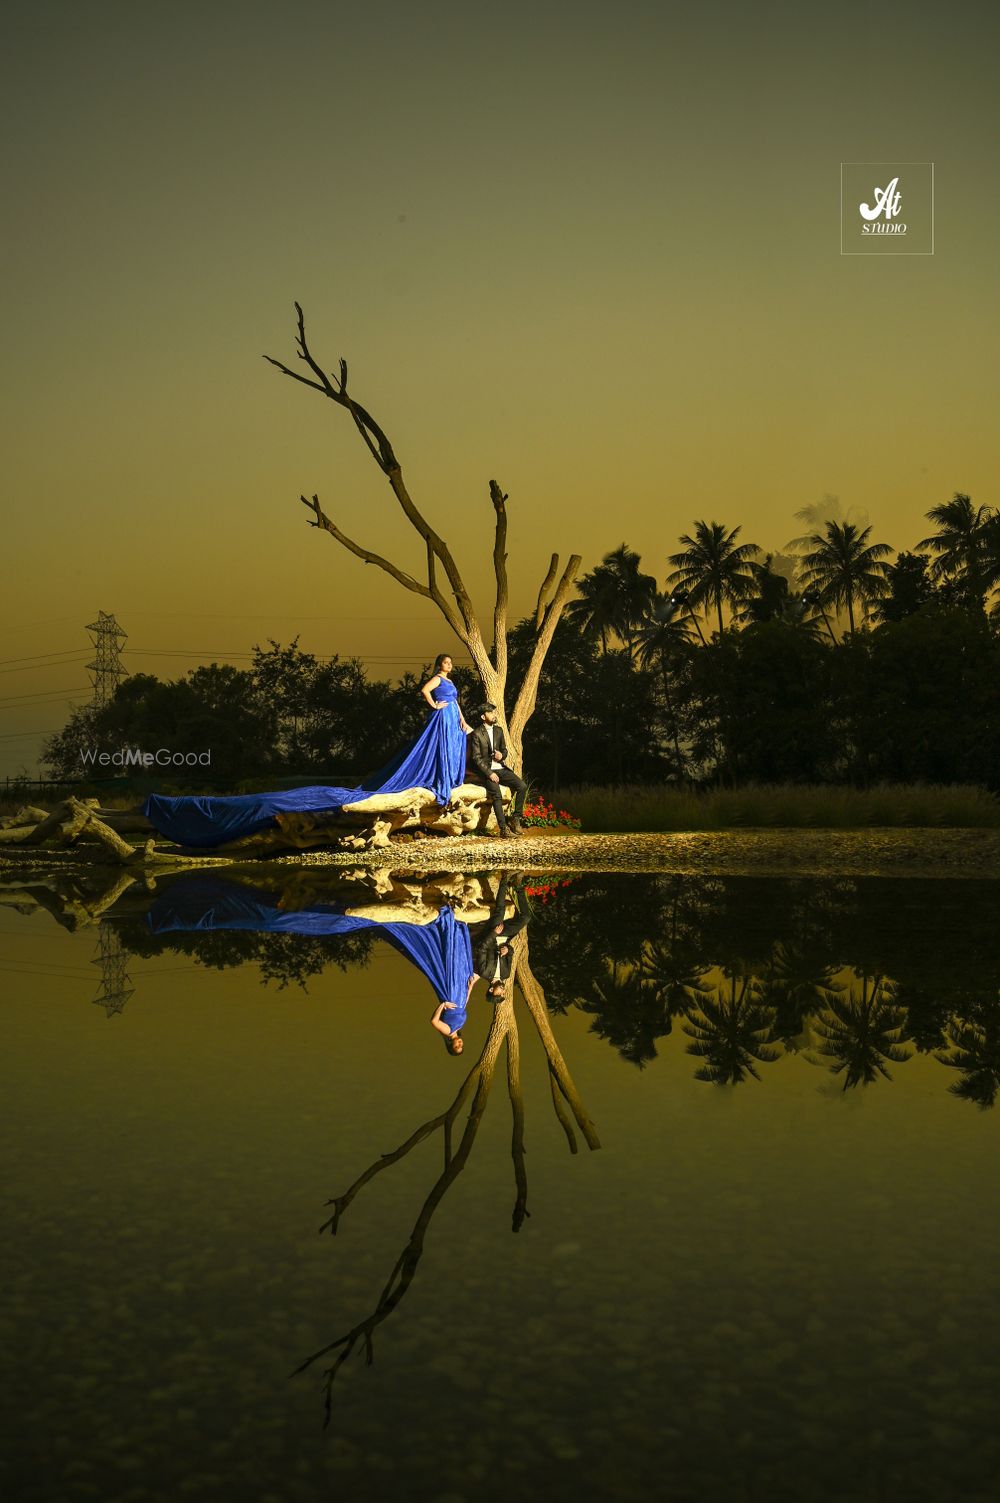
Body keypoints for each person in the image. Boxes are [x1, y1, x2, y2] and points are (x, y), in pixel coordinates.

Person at [139, 652, 473, 849]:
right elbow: (423, 691)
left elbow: (456, 704)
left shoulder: (454, 684)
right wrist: (434, 705)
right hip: (439, 717)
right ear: (438, 664)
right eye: (444, 662)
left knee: (447, 752)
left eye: (449, 663)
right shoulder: (435, 679)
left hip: (451, 719)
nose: (447, 666)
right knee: (428, 755)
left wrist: (461, 721)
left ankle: (443, 779)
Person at [468, 703, 527, 838]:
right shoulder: (477, 733)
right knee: (497, 795)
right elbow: (476, 758)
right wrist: (489, 773)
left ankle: (515, 818)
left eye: (494, 712)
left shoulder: (499, 730)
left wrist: (502, 755)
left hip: (500, 768)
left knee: (522, 786)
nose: (494, 714)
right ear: (483, 716)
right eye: (490, 712)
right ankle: (503, 829)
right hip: (487, 772)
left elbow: (504, 750)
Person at [468, 874, 529, 998]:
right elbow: (511, 953)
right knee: (526, 918)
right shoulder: (505, 974)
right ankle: (518, 885)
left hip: (492, 933)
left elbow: (482, 948)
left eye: (499, 994)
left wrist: (494, 933)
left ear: (491, 990)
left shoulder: (484, 972)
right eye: (503, 994)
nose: (503, 992)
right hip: (506, 935)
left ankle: (505, 878)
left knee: (500, 911)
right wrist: (508, 950)